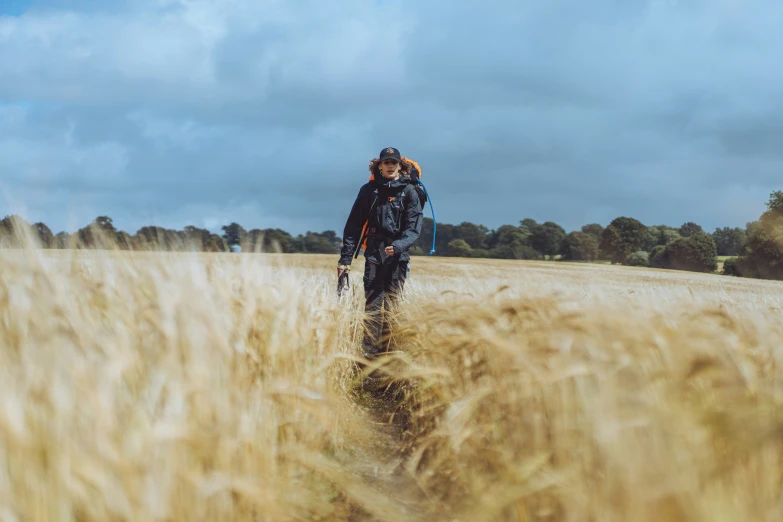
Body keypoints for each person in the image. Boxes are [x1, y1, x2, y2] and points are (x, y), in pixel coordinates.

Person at [337, 147, 424, 360]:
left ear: (400, 166)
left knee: (393, 307)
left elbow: (414, 227)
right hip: (374, 254)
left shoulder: (410, 191)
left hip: (398, 257)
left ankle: (391, 357)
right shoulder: (369, 191)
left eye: (394, 162)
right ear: (379, 166)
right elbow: (354, 225)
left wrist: (400, 245)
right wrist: (345, 259)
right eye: (386, 162)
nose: (390, 165)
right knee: (373, 307)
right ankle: (368, 358)